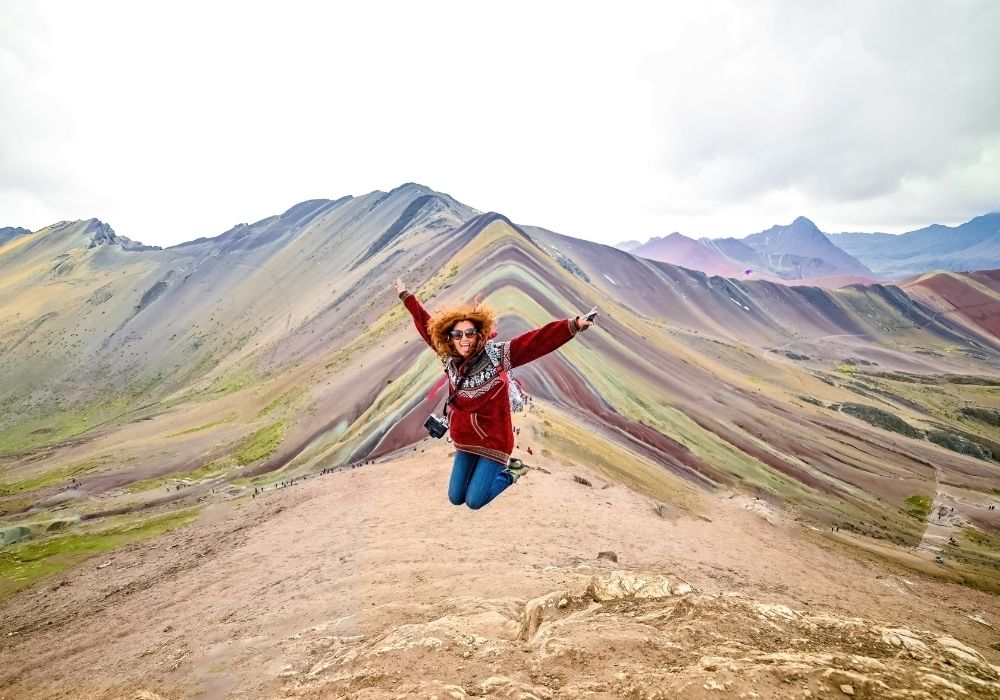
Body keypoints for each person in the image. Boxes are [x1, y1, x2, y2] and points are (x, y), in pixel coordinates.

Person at [395, 278, 595, 509]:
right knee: (455, 497)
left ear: (479, 333)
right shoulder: (449, 358)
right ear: (449, 337)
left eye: (470, 333)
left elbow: (536, 342)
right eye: (457, 335)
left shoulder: (497, 355)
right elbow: (425, 324)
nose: (464, 339)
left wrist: (574, 325)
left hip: (494, 441)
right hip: (465, 439)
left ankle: (513, 472)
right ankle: (482, 477)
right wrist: (406, 297)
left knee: (474, 501)